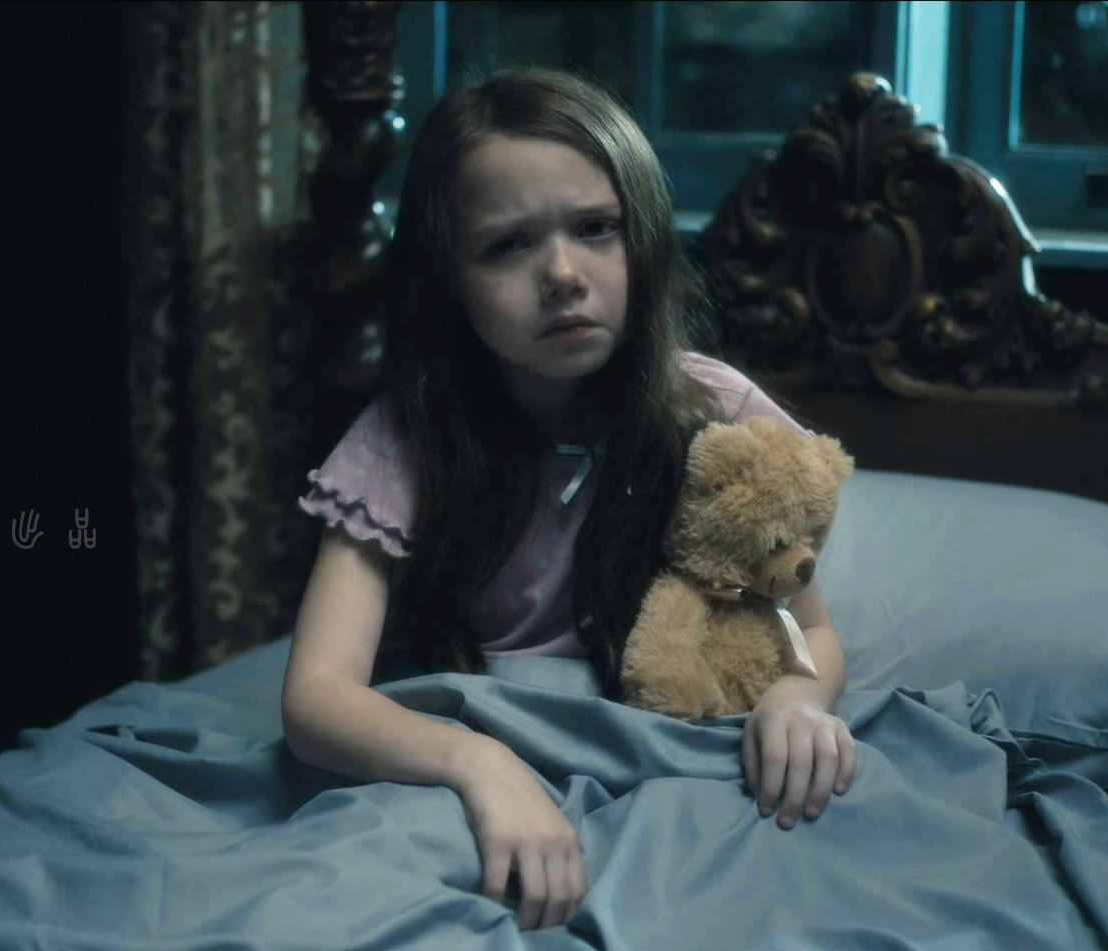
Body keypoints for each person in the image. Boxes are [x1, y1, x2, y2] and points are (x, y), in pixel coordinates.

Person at [280, 66, 855, 933]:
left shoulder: (715, 411)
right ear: (449, 278)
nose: (561, 273)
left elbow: (810, 633)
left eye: (595, 229)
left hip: (676, 753)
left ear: (643, 239)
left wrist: (797, 701)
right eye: (507, 245)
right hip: (471, 756)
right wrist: (478, 764)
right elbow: (317, 695)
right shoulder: (409, 436)